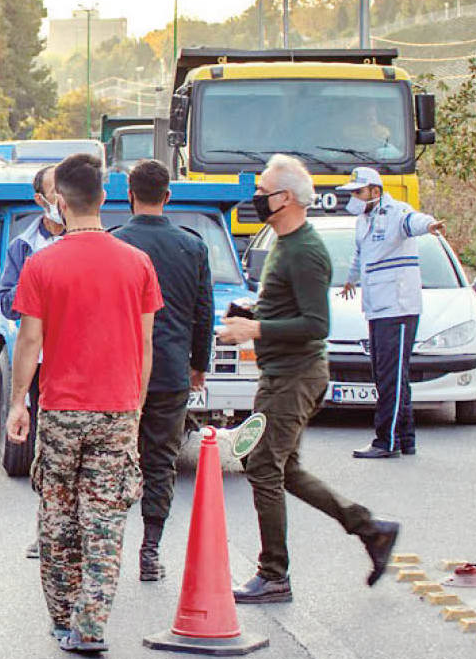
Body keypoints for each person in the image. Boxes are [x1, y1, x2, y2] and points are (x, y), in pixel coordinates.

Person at [219, 154, 400, 604]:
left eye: (264, 191)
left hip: (296, 375)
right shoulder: (282, 242)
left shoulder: (306, 251)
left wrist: (256, 328)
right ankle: (369, 528)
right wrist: (253, 313)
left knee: (261, 466)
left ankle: (273, 574)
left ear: (287, 199)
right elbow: (288, 308)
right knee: (285, 468)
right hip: (280, 371)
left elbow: (317, 324)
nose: (257, 198)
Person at [5, 153, 161, 655]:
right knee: (106, 518)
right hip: (117, 408)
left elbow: (30, 343)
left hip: (61, 408)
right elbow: (146, 344)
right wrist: (134, 408)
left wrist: (17, 405)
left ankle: (60, 616)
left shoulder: (42, 263)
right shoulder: (137, 263)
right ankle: (91, 625)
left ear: (60, 201)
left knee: (57, 515)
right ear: (105, 198)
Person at [111, 160, 212, 582]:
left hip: (121, 373)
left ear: (129, 195)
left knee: (114, 459)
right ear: (167, 196)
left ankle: (108, 544)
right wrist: (198, 366)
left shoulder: (115, 243)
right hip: (171, 372)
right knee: (161, 461)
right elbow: (203, 312)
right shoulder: (192, 246)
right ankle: (150, 550)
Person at [336, 166, 444, 459]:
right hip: (376, 306)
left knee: (390, 377)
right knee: (390, 374)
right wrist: (350, 278)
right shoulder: (363, 220)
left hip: (398, 306)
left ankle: (387, 441)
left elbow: (414, 222)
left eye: (359, 192)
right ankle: (406, 438)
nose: (355, 198)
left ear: (375, 190)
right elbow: (360, 254)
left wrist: (431, 225)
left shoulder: (396, 212)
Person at [0, 164, 66, 560]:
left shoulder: (91, 241)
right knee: (46, 452)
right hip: (41, 363)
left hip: (80, 363)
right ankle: (47, 531)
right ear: (40, 199)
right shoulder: (23, 246)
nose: (61, 198)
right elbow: (8, 301)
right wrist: (38, 291)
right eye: (55, 190)